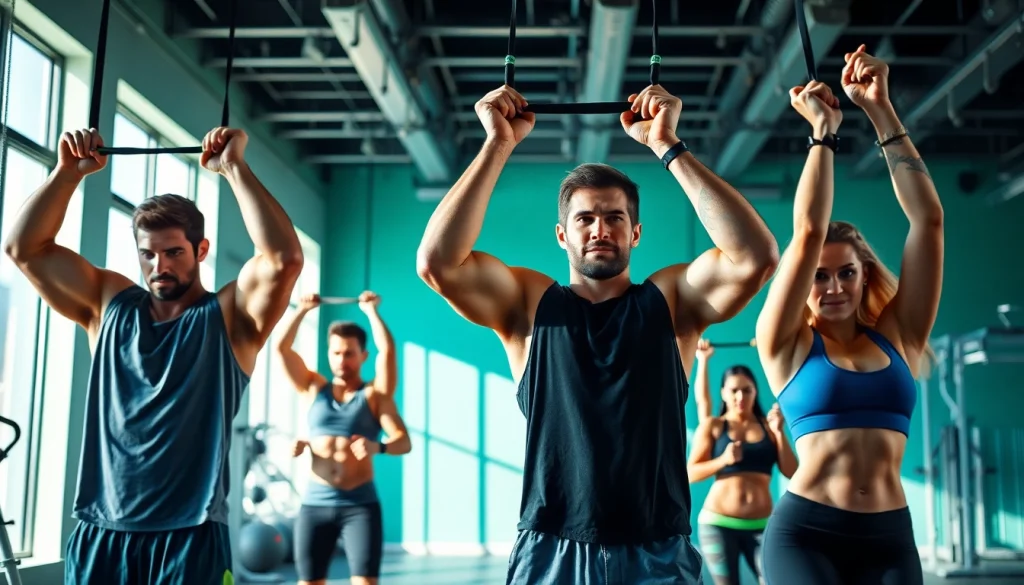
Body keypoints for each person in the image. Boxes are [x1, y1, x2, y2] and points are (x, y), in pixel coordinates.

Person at [416, 83, 780, 583]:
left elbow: (756, 258)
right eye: (584, 219)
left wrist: (666, 146)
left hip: (657, 547)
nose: (599, 229)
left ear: (635, 232)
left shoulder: (671, 301)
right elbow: (437, 264)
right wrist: (497, 144)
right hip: (552, 548)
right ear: (563, 235)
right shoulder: (530, 304)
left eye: (615, 218)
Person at [3, 126, 304, 584]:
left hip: (191, 534)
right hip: (101, 529)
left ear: (201, 250)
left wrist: (234, 169)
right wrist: (66, 174)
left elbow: (283, 259)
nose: (159, 267)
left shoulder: (229, 318)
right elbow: (23, 248)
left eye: (174, 252)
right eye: (148, 255)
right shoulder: (107, 305)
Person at [754, 46, 943, 585]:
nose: (833, 286)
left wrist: (880, 107)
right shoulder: (784, 346)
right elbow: (808, 231)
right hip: (806, 534)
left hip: (891, 538)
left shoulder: (899, 338)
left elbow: (928, 221)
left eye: (846, 273)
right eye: (818, 275)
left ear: (864, 277)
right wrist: (823, 133)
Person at [275, 291, 411, 585]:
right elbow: (282, 349)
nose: (342, 360)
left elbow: (404, 441)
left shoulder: (374, 396)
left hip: (359, 505)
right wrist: (301, 311)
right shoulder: (314, 388)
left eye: (349, 353)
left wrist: (379, 446)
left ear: (363, 356)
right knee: (309, 582)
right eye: (336, 353)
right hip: (314, 504)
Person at [687, 340, 797, 585]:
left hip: (762, 525)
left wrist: (779, 433)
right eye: (734, 390)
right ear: (724, 393)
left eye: (746, 390)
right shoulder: (715, 426)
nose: (740, 396)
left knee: (773, 580)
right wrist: (723, 460)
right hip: (718, 523)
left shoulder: (769, 427)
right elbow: (690, 473)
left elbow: (793, 472)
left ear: (755, 392)